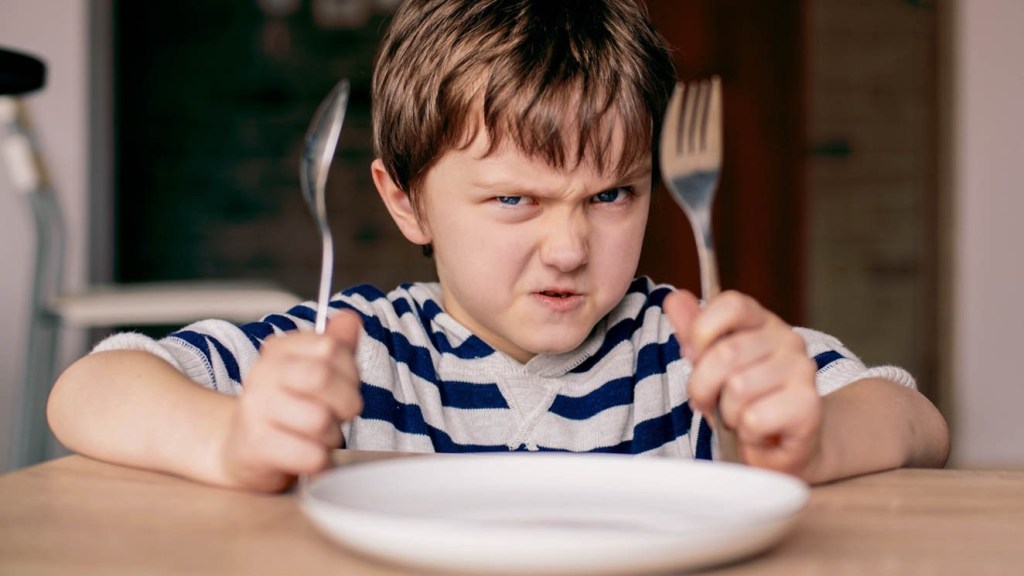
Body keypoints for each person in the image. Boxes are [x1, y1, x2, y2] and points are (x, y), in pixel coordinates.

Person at [47, 0, 949, 493]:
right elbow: (90, 386)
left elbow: (915, 420)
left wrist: (806, 443)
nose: (567, 246)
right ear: (406, 203)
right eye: (515, 198)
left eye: (610, 194)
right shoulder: (358, 350)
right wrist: (234, 442)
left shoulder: (693, 350)